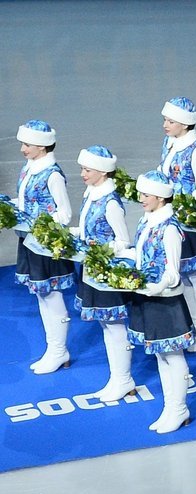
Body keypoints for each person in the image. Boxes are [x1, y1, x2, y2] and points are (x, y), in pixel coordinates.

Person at [129, 171, 196, 434]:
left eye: (146, 194)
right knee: (160, 354)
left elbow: (172, 270)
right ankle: (170, 407)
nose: (141, 198)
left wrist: (156, 287)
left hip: (165, 300)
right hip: (147, 295)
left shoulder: (169, 228)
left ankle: (180, 408)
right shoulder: (147, 221)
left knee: (172, 353)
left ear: (160, 197)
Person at [71, 145, 137, 404]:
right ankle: (116, 377)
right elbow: (88, 229)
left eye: (87, 169)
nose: (82, 174)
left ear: (102, 171)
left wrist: (101, 250)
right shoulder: (92, 194)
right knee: (105, 325)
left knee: (115, 325)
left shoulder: (111, 203)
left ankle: (123, 378)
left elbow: (123, 241)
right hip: (93, 269)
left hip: (108, 272)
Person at [157, 97, 196, 350]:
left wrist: (182, 204)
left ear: (185, 124)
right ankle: (195, 326)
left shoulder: (195, 151)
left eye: (170, 121)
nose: (165, 125)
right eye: (165, 120)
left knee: (195, 275)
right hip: (171, 219)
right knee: (183, 275)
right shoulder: (170, 142)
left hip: (188, 223)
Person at [15, 119, 73, 374]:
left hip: (47, 245)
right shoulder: (29, 167)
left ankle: (60, 350)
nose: (22, 149)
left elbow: (65, 214)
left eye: (27, 144)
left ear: (42, 146)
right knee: (41, 295)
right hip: (30, 240)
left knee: (52, 294)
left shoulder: (53, 175)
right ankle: (53, 348)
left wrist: (38, 222)